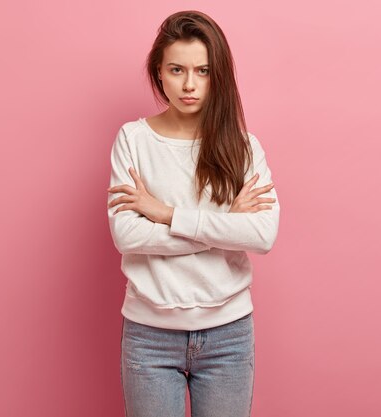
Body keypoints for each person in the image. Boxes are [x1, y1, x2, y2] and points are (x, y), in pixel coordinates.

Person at [106, 10, 280, 417]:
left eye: (202, 70)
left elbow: (262, 236)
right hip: (149, 336)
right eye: (177, 69)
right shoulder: (133, 140)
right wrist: (225, 225)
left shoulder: (243, 146)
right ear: (159, 73)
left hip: (229, 335)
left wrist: (164, 213)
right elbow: (128, 236)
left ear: (217, 75)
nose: (189, 84)